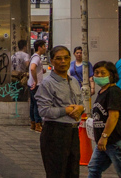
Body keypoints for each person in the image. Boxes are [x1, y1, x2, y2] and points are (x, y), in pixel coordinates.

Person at [35, 45, 84, 178]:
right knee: (57, 172)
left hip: (73, 131)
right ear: (52, 61)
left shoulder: (74, 81)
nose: (63, 61)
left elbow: (80, 102)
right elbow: (44, 110)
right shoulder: (47, 83)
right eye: (58, 58)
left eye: (66, 58)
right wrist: (66, 110)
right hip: (55, 133)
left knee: (73, 172)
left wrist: (80, 108)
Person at [87, 61, 121, 178]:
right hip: (104, 142)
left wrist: (104, 137)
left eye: (103, 73)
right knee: (94, 168)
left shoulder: (113, 91)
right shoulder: (102, 91)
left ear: (111, 75)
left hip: (115, 141)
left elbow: (113, 116)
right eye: (96, 73)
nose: (99, 76)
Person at [28, 39, 47, 131]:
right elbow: (32, 68)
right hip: (36, 84)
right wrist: (35, 81)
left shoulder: (34, 57)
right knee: (37, 104)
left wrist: (41, 71)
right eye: (44, 46)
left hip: (31, 83)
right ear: (39, 47)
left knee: (33, 104)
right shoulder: (36, 57)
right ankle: (38, 124)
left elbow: (34, 68)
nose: (45, 48)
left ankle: (32, 123)